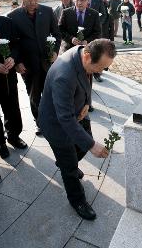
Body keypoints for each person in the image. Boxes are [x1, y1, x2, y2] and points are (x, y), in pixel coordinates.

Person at [38, 39, 116, 219]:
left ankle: (64, 161)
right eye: (101, 67)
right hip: (57, 124)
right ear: (88, 56)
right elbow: (64, 118)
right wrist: (92, 145)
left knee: (80, 146)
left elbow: (87, 80)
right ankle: (77, 200)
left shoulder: (82, 52)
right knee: (70, 166)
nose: (101, 72)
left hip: (78, 112)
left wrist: (87, 104)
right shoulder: (64, 75)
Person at [7, 0, 61, 135]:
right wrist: (17, 62)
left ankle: (53, 119)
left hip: (47, 63)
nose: (33, 3)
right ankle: (40, 123)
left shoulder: (48, 11)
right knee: (34, 95)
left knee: (51, 93)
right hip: (27, 66)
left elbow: (56, 35)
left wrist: (55, 51)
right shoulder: (13, 17)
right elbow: (12, 43)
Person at [0, 0, 27, 160]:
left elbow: (16, 44)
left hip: (8, 77)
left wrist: (13, 58)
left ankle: (14, 136)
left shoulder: (6, 23)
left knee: (12, 108)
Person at [59, 0, 101, 109]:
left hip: (87, 52)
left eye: (82, 0)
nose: (79, 3)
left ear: (88, 0)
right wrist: (71, 38)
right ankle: (72, 102)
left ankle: (87, 103)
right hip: (70, 52)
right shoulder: (67, 13)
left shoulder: (93, 14)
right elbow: (60, 30)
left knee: (87, 79)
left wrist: (87, 41)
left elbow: (97, 32)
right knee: (71, 79)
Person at [80, 0, 107, 82]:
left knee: (96, 53)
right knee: (84, 53)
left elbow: (104, 15)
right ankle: (84, 73)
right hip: (82, 32)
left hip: (95, 32)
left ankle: (96, 73)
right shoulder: (79, 0)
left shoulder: (98, 0)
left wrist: (96, 23)